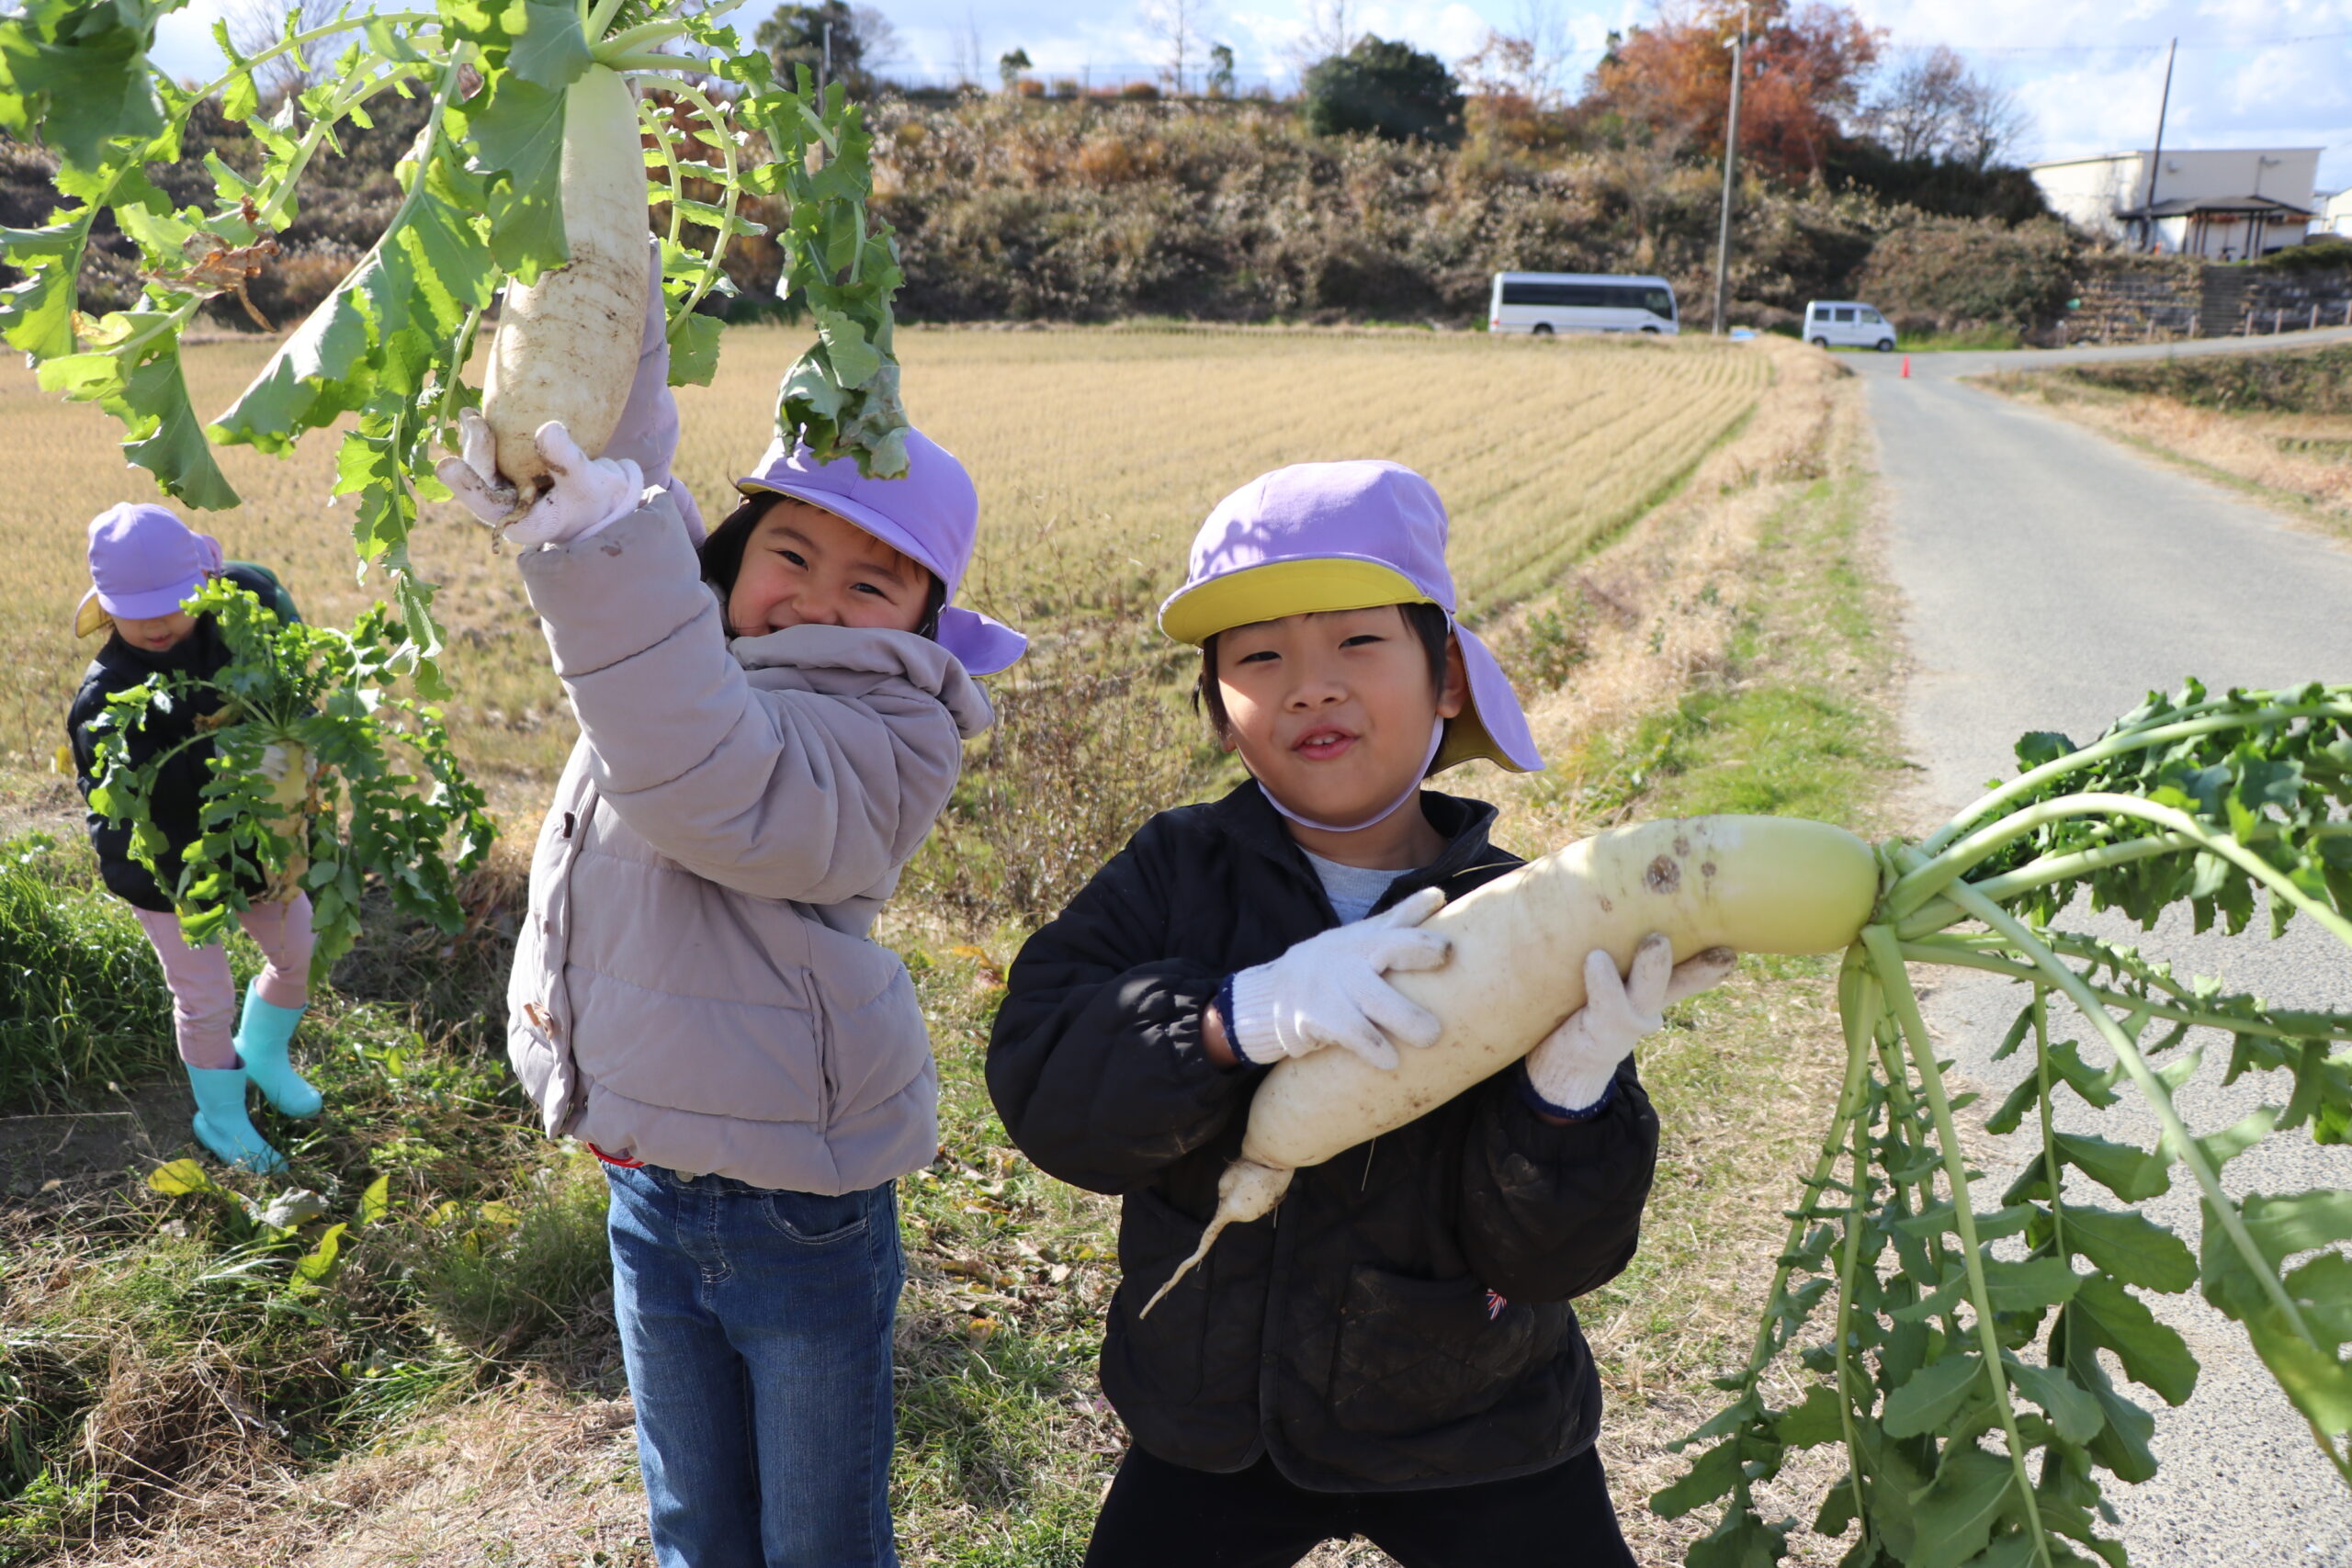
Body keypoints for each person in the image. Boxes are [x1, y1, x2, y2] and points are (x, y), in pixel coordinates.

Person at [985, 461, 1735, 1567]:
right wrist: (1236, 1016)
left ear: (1445, 680)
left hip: (1477, 1422)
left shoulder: (1523, 917)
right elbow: (1050, 1095)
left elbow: (1551, 1259)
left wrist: (1567, 1093)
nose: (1310, 686)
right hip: (1211, 1420)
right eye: (1259, 657)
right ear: (1218, 711)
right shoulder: (1170, 875)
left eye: (1356, 642)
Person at [435, 280, 1025, 1568]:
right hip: (648, 1176)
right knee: (696, 1524)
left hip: (796, 1208)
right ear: (733, 552)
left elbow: (708, 774)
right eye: (792, 554)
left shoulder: (891, 734)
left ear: (927, 625)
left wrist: (587, 553)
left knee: (817, 1536)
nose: (817, 595)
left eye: (873, 580)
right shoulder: (686, 645)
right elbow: (629, 452)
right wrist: (606, 292)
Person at [64, 502, 319, 1176]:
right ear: (105, 606)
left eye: (174, 604)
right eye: (134, 608)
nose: (155, 623)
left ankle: (263, 1053)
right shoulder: (106, 696)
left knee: (298, 947)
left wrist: (293, 765)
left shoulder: (243, 620)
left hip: (257, 844)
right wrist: (163, 887)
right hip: (170, 872)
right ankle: (220, 1114)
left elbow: (294, 693)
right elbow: (116, 817)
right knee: (205, 997)